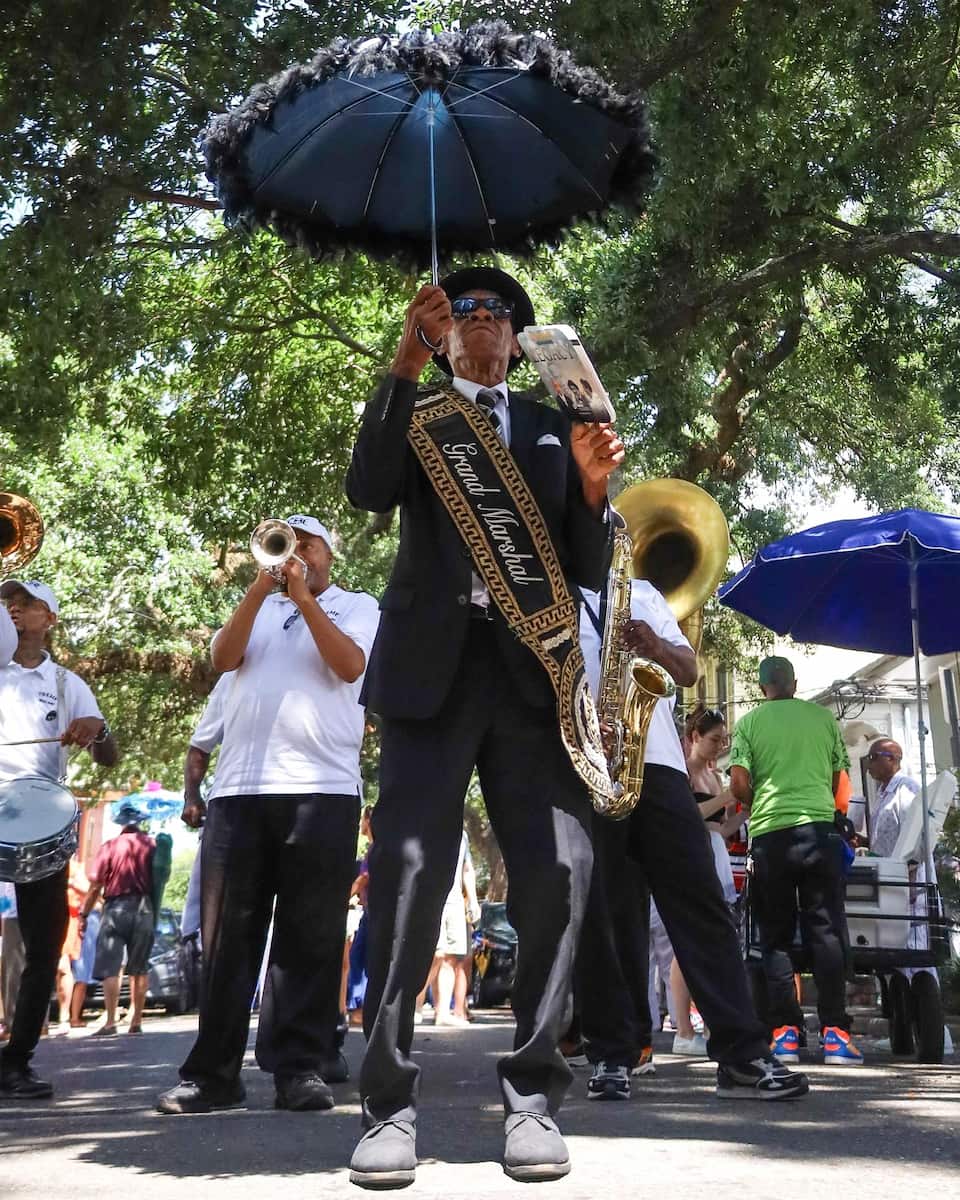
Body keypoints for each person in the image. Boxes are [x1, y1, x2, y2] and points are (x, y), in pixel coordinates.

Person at [345, 266, 622, 1186]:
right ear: (443, 329)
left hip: (530, 681)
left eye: (496, 315)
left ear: (520, 340)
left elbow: (586, 564)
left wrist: (590, 492)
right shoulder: (419, 414)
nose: (479, 324)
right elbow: (368, 489)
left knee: (560, 870)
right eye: (460, 312)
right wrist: (402, 360)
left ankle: (535, 1093)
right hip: (430, 677)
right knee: (409, 876)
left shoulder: (552, 429)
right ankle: (387, 1108)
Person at [156, 514, 379, 1116]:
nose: (296, 553)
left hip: (323, 790)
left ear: (329, 555)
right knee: (228, 939)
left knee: (308, 938)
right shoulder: (256, 606)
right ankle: (212, 1075)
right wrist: (259, 589)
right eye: (288, 544)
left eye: (308, 544)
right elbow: (223, 657)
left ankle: (299, 1069)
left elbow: (351, 666)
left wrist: (303, 597)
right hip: (239, 792)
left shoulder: (358, 605)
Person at [575, 580, 808, 1102]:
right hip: (588, 766)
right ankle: (615, 1052)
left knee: (702, 905)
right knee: (607, 915)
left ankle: (741, 1053)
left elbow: (688, 670)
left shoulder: (640, 592)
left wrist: (653, 646)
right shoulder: (549, 590)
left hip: (656, 765)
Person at [0, 578, 118, 1098]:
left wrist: (98, 730)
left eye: (26, 603)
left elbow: (107, 755)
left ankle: (16, 1060)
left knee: (45, 944)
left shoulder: (68, 683)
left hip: (39, 822)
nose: (14, 608)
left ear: (48, 618)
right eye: (9, 602)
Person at [729, 655, 862, 1066]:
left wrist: (763, 804)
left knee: (776, 937)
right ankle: (836, 1033)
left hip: (771, 837)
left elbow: (737, 784)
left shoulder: (749, 723)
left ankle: (785, 1033)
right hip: (820, 833)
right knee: (825, 930)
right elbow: (842, 784)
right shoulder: (823, 720)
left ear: (761, 685)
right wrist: (827, 810)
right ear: (794, 682)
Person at [670, 705, 742, 1055]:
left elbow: (722, 828)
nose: (719, 746)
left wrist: (745, 812)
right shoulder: (682, 772)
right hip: (692, 850)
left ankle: (713, 1021)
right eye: (715, 739)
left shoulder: (714, 778)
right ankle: (682, 1028)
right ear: (695, 737)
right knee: (688, 939)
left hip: (716, 852)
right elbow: (690, 815)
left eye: (723, 740)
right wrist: (728, 796)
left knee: (715, 936)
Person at [80, 802, 156, 1036]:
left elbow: (95, 884)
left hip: (115, 908)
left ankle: (111, 1021)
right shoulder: (152, 845)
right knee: (139, 967)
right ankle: (136, 1021)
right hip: (144, 906)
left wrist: (85, 913)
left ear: (120, 823)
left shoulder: (110, 846)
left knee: (111, 968)